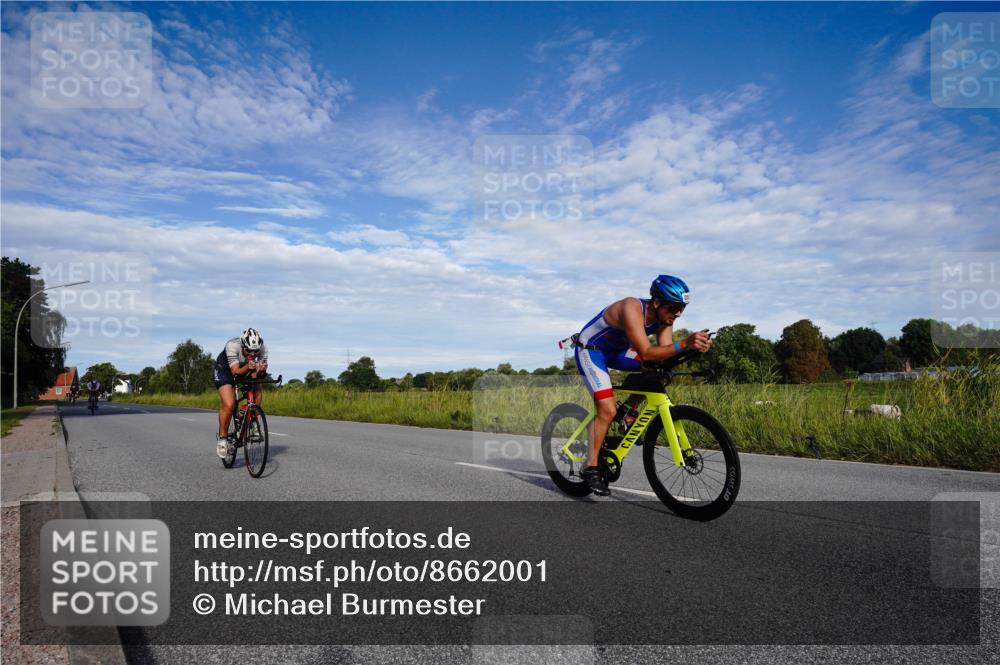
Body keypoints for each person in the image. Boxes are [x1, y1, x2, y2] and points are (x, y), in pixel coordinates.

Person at [573, 275, 712, 496]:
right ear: (656, 302)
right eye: (674, 308)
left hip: (618, 352)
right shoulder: (631, 307)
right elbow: (647, 352)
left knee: (656, 370)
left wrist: (692, 348)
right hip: (591, 350)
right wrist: (685, 342)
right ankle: (590, 467)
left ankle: (626, 414)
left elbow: (664, 353)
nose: (677, 314)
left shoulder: (665, 318)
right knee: (606, 409)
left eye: (681, 309)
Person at [213, 328, 269, 458]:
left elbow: (257, 375)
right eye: (249, 350)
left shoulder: (263, 349)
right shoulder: (232, 346)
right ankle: (222, 438)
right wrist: (249, 367)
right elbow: (235, 372)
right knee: (229, 404)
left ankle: (252, 419)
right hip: (225, 371)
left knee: (257, 387)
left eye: (255, 351)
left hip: (244, 368)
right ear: (243, 345)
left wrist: (261, 371)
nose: (253, 354)